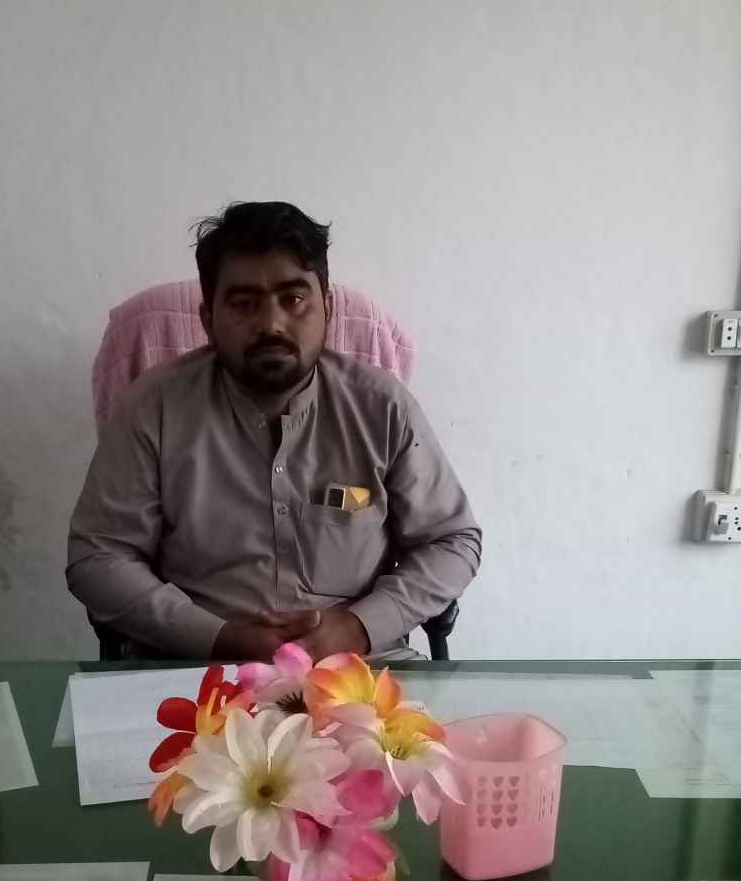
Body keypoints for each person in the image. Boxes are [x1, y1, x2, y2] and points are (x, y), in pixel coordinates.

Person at [67, 201, 481, 664]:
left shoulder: (382, 407)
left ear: (327, 309)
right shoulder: (153, 407)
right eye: (244, 304)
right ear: (208, 319)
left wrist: (359, 627)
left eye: (294, 299)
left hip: (363, 670)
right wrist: (217, 637)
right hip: (197, 670)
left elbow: (452, 541)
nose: (271, 324)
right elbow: (98, 557)